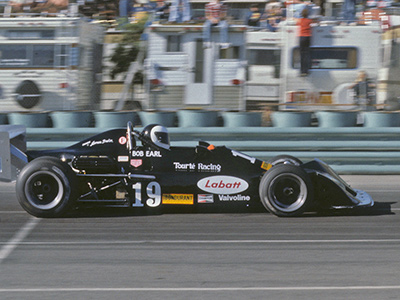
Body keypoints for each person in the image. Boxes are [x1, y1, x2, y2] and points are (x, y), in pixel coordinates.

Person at [297, 8, 313, 76]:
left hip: (301, 37)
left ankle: (302, 71)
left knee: (302, 54)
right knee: (307, 54)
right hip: (308, 37)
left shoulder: (300, 21)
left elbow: (296, 23)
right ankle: (306, 70)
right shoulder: (309, 21)